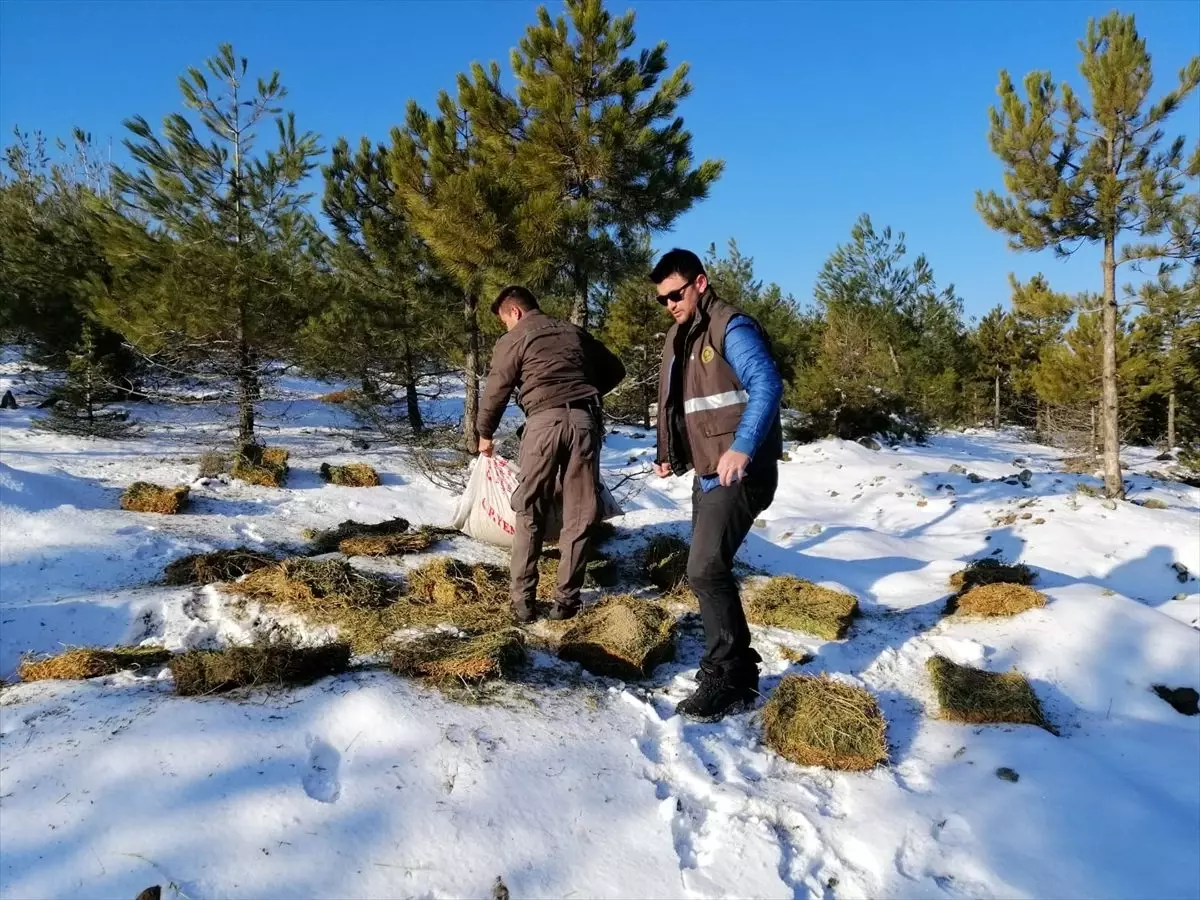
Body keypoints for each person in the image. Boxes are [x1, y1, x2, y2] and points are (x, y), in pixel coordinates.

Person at [650, 248, 784, 722]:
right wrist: (667, 452)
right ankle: (734, 670)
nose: (670, 304)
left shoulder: (732, 327)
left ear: (700, 284)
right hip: (708, 471)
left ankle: (728, 675)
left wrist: (744, 446)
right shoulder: (679, 336)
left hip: (741, 469)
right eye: (663, 299)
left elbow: (767, 385)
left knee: (705, 568)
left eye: (677, 294)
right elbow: (679, 404)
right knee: (705, 570)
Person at [477, 285, 626, 623]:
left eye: (504, 321)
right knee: (579, 515)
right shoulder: (572, 330)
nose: (506, 328)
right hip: (584, 424)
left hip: (543, 424)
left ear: (514, 312)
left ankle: (523, 603)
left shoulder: (516, 337)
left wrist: (484, 433)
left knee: (530, 509)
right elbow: (616, 370)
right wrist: (581, 388)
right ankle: (566, 603)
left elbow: (497, 388)